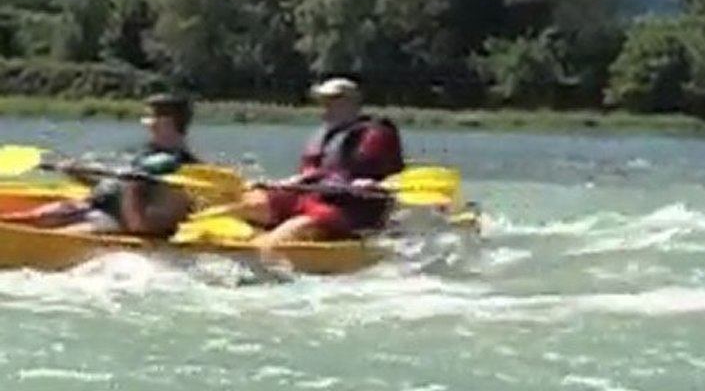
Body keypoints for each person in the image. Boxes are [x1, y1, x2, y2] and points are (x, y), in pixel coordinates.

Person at [234, 77, 405, 249]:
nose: (325, 108)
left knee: (299, 225)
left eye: (332, 101)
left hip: (350, 211)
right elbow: (313, 173)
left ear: (352, 104)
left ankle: (263, 247)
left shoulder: (376, 135)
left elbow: (395, 177)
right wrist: (286, 183)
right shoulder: (327, 136)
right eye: (323, 102)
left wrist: (375, 183)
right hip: (314, 199)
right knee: (252, 200)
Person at [1, 93, 201, 237]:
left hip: (116, 223)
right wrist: (79, 174)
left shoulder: (183, 167)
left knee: (60, 228)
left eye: (150, 118)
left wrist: (131, 190)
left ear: (165, 122)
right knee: (37, 216)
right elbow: (116, 185)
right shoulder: (147, 153)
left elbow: (146, 220)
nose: (146, 124)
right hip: (94, 207)